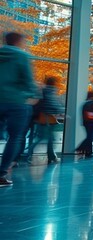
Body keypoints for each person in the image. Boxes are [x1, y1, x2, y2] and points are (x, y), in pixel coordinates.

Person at [0, 31, 40, 187]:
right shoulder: (22, 56)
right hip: (17, 102)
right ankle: (2, 173)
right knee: (15, 137)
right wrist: (32, 95)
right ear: (18, 41)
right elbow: (28, 80)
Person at [22, 76, 64, 164]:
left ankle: (51, 156)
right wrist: (59, 111)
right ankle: (28, 154)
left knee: (48, 138)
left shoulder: (43, 90)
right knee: (44, 138)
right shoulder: (50, 91)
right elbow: (52, 103)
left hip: (43, 117)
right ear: (53, 83)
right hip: (48, 118)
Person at [79, 91, 93, 158]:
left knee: (89, 136)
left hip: (86, 122)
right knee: (89, 137)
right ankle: (82, 149)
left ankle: (86, 151)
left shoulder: (85, 104)